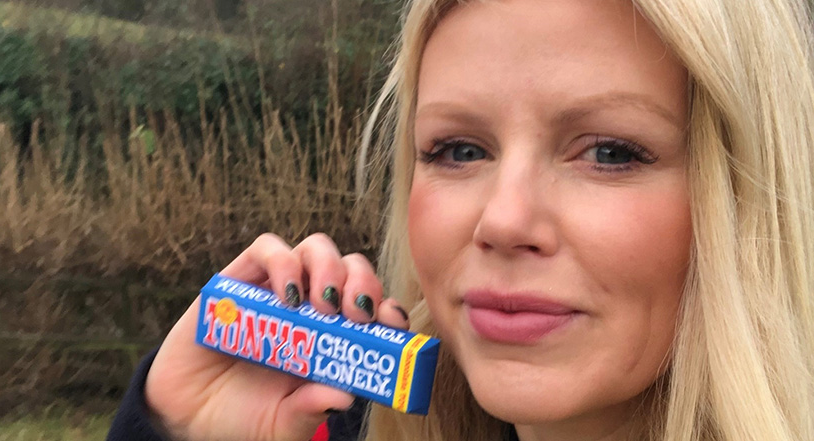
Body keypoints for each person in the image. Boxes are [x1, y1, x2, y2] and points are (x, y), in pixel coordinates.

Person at [107, 0, 814, 439]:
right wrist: (176, 434)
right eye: (459, 149)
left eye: (608, 151)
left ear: (748, 203)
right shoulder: (342, 421)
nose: (502, 220)